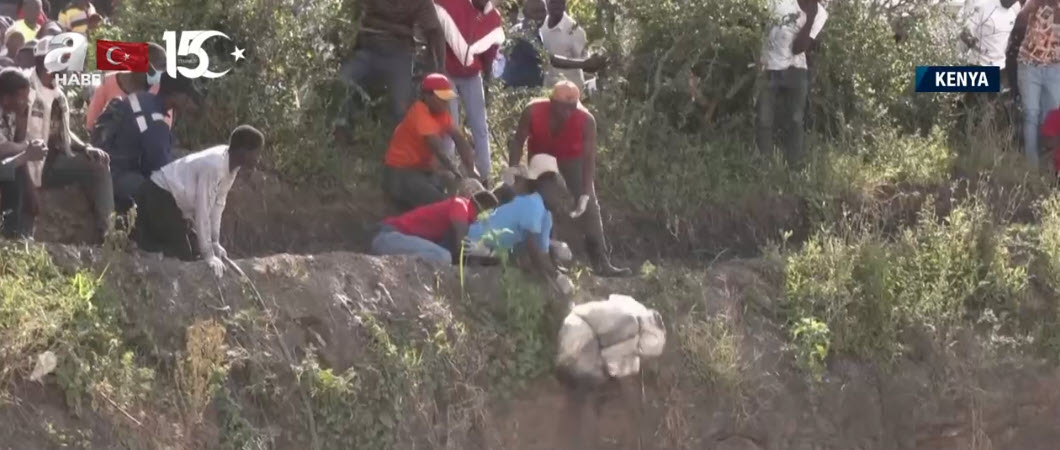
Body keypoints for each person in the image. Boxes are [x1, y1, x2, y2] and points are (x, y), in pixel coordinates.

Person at [508, 81, 631, 277]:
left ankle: (600, 261)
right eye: (563, 107)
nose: (568, 113)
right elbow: (518, 140)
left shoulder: (586, 120)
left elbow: (589, 157)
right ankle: (549, 255)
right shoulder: (533, 111)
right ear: (552, 101)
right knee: (545, 200)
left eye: (572, 107)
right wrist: (513, 168)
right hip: (541, 155)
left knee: (589, 203)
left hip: (572, 158)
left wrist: (584, 192)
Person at [13, 36, 114, 241]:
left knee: (99, 165)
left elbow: (64, 131)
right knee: (22, 222)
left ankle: (109, 235)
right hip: (29, 164)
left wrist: (85, 147)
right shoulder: (26, 90)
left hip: (55, 160)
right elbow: (18, 140)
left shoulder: (58, 93)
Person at [132, 125, 264, 277]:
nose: (258, 158)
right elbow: (203, 210)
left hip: (175, 205)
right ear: (244, 151)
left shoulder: (232, 166)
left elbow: (218, 204)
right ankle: (142, 250)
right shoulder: (214, 166)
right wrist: (209, 255)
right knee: (183, 256)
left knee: (195, 251)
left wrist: (214, 242)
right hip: (158, 196)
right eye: (257, 152)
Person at [94, 72, 201, 213]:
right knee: (163, 195)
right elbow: (161, 171)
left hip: (107, 162)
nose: (189, 101)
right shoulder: (156, 125)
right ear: (176, 95)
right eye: (187, 96)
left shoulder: (140, 97)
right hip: (118, 176)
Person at [334, 0, 446, 136]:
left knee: (401, 106)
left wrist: (440, 68)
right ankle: (341, 130)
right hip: (368, 50)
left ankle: (402, 145)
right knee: (344, 79)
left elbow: (435, 31)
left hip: (399, 54)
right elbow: (357, 14)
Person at [466, 153, 571, 292]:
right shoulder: (533, 204)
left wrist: (557, 276)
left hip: (492, 247)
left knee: (529, 264)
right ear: (546, 185)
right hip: (473, 242)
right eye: (559, 194)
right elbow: (534, 250)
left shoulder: (546, 216)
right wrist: (556, 277)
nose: (561, 204)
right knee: (523, 260)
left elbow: (543, 254)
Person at [382, 73, 480, 211]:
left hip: (422, 171)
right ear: (427, 96)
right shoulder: (419, 111)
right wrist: (456, 171)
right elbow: (437, 149)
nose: (445, 102)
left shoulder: (442, 114)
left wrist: (471, 168)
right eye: (441, 98)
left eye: (447, 98)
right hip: (400, 172)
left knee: (450, 184)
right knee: (441, 203)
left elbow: (459, 139)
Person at [435, 0, 505, 184]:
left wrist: (488, 82)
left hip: (473, 76)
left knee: (479, 125)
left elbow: (490, 53)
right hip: (447, 72)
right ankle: (449, 174)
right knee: (450, 123)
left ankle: (484, 176)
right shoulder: (450, 4)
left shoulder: (494, 17)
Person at [756, 0, 827, 169]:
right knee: (764, 119)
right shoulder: (780, 2)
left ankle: (793, 167)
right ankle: (764, 166)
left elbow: (798, 49)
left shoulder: (820, 14)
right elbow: (759, 24)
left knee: (795, 120)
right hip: (769, 67)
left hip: (796, 68)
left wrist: (810, 18)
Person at [371, 179, 501, 264]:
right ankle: (396, 266)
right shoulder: (460, 204)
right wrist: (485, 251)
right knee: (443, 257)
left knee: (442, 255)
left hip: (394, 240)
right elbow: (463, 245)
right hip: (387, 237)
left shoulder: (465, 219)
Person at [0, 68, 45, 238]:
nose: (26, 102)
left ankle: (19, 236)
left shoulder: (9, 115)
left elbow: (12, 154)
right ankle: (11, 235)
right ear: (6, 97)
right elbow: (3, 149)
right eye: (22, 97)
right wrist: (27, 148)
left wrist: (31, 189)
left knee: (19, 175)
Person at [1015, 0, 1060, 169]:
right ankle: (1031, 166)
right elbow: (1020, 18)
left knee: (1050, 116)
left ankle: (1048, 163)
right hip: (1029, 65)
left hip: (1055, 68)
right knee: (1031, 114)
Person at [85, 42, 170, 131]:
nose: (164, 71)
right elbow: (91, 124)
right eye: (162, 66)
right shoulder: (108, 82)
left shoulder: (160, 90)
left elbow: (163, 131)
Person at [540, 0, 606, 91]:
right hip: (547, 88)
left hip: (570, 91)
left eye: (560, 2)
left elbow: (586, 64)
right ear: (546, 3)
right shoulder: (541, 25)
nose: (556, 5)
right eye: (553, 2)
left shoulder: (575, 31)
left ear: (564, 4)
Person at [501, 0, 546, 89]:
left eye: (543, 10)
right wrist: (579, 64)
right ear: (525, 13)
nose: (540, 15)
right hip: (518, 91)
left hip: (530, 87)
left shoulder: (535, 31)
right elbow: (545, 57)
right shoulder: (522, 33)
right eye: (535, 11)